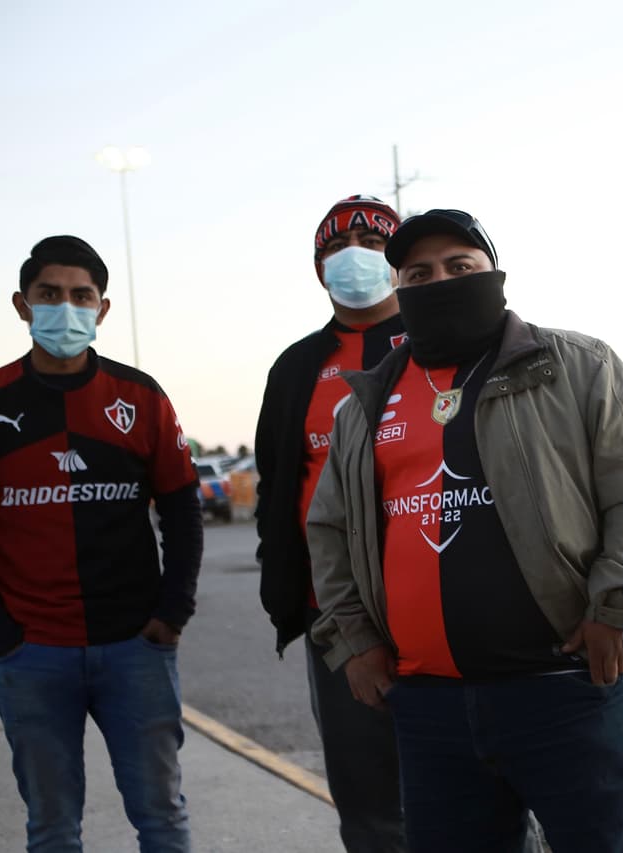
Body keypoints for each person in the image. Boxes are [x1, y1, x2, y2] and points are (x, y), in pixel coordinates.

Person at [308, 209, 623, 853]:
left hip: (563, 693)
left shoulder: (579, 366)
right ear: (400, 288)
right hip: (429, 708)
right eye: (419, 271)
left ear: (495, 275)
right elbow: (328, 530)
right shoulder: (367, 402)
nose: (441, 279)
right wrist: (353, 639)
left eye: (460, 266)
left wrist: (614, 607)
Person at [0, 235, 203, 852]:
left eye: (82, 296)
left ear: (103, 309)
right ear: (22, 304)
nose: (66, 308)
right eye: (50, 294)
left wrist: (171, 613)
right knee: (51, 827)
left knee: (161, 816)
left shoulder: (141, 396)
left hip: (136, 647)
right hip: (32, 654)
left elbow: (183, 509)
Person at [255, 193, 409, 852]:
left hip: (447, 605)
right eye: (338, 249)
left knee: (478, 798)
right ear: (319, 269)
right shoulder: (296, 367)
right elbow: (276, 488)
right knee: (371, 807)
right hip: (340, 620)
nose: (356, 258)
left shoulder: (444, 340)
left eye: (374, 246)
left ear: (399, 260)